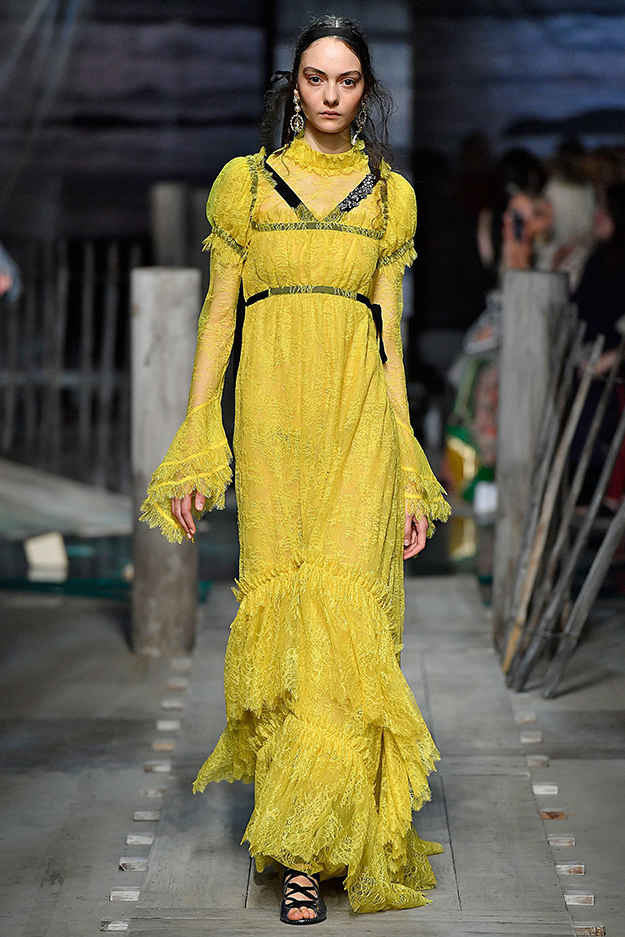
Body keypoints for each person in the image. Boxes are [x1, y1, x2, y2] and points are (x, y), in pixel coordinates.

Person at [139, 15, 450, 925]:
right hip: (272, 427)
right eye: (315, 77)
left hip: (361, 428)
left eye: (346, 80)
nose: (329, 94)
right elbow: (218, 319)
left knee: (346, 620)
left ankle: (322, 845)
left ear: (366, 91)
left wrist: (408, 468)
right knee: (288, 628)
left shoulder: (391, 197)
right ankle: (300, 846)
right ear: (292, 85)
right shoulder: (244, 186)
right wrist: (198, 441)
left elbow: (389, 340)